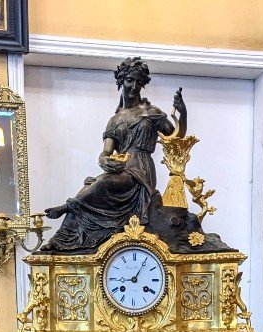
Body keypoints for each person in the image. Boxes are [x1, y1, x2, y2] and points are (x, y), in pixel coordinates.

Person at [40, 56, 186, 254]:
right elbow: (106, 152)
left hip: (141, 169)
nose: (134, 86)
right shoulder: (114, 120)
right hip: (122, 167)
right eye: (129, 80)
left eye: (138, 82)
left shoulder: (151, 112)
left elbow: (176, 136)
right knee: (91, 185)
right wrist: (104, 161)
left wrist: (182, 114)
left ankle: (66, 207)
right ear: (120, 80)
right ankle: (61, 239)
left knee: (101, 184)